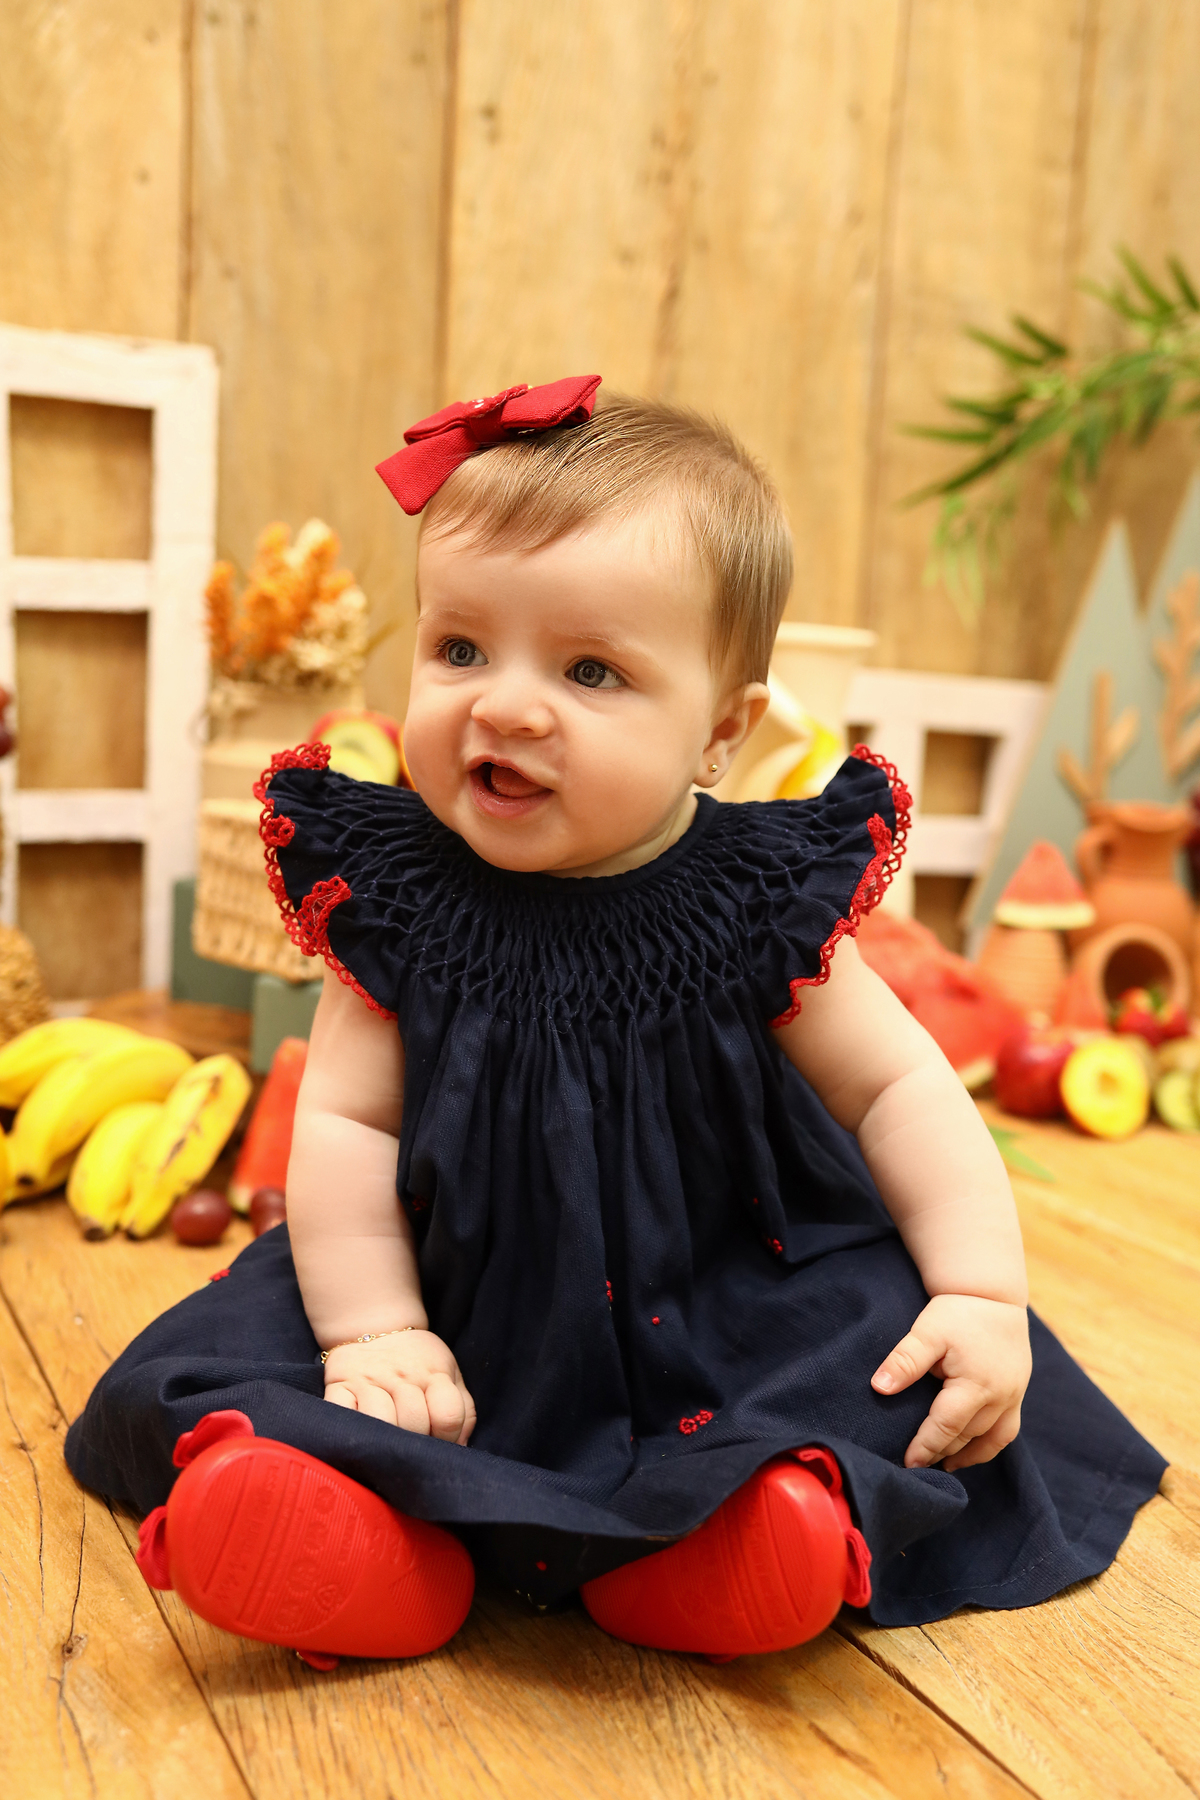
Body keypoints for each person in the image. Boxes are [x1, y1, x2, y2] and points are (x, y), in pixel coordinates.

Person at [66, 379, 1164, 1666]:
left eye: (590, 670)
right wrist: (377, 1330)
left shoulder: (760, 900)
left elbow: (897, 1091)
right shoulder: (399, 898)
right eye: (459, 649)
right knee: (265, 1361)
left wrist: (979, 1290)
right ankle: (371, 1551)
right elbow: (350, 1127)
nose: (506, 705)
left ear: (719, 733)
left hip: (719, 1299)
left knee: (879, 1370)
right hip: (450, 1304)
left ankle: (724, 1543)